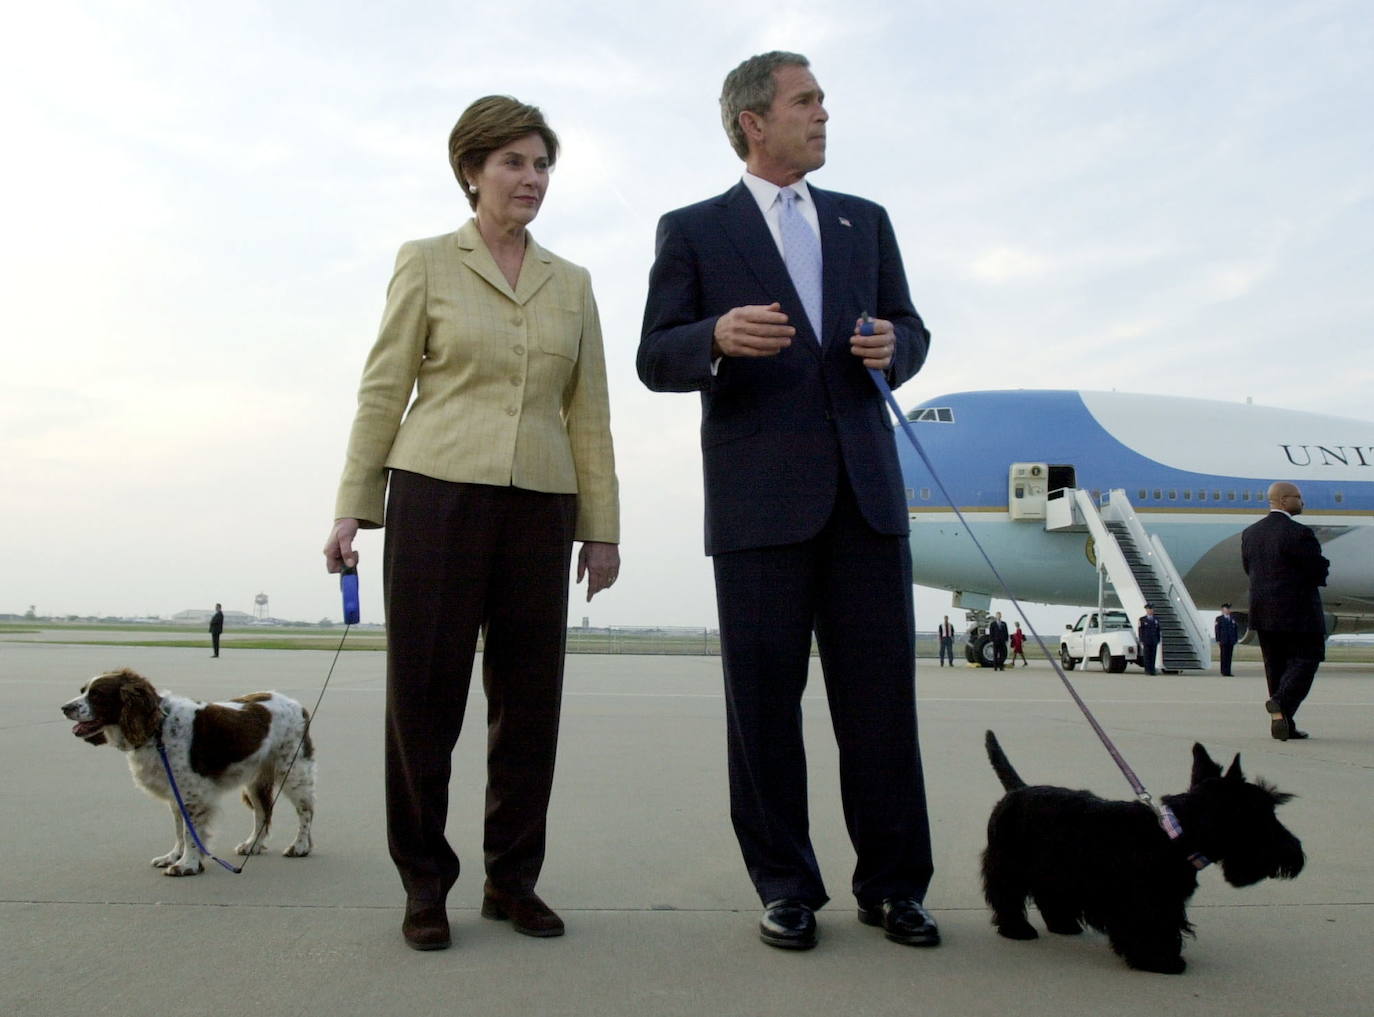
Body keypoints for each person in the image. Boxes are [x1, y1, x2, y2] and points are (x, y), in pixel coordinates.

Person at [637, 51, 936, 952]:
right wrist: (716, 338)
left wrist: (896, 344)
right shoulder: (693, 229)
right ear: (752, 121)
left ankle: (894, 886)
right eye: (806, 101)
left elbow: (911, 330)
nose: (823, 114)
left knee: (881, 703)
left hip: (866, 499)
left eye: (823, 101)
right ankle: (784, 883)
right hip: (759, 505)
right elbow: (657, 355)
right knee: (764, 705)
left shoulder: (865, 221)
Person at [323, 96, 620, 951]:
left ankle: (511, 880)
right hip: (436, 494)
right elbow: (384, 388)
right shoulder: (424, 262)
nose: (532, 179)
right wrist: (354, 502)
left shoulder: (574, 283)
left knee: (530, 705)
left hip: (541, 505)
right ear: (471, 170)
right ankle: (425, 881)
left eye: (542, 165)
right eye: (515, 163)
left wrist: (600, 528)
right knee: (424, 699)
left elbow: (589, 416)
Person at [1241, 482, 1328, 740]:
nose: (1302, 502)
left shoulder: (1250, 533)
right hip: (1298, 611)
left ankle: (1282, 723)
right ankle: (1280, 701)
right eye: (1298, 498)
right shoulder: (1299, 533)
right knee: (1308, 658)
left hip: (1263, 610)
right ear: (1282, 500)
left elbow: (1249, 568)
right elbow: (1316, 569)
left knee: (1275, 666)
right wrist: (1324, 569)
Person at [1214, 603, 1239, 677]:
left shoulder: (1232, 619)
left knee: (1229, 657)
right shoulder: (1219, 619)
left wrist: (1235, 639)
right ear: (1223, 610)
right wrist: (1218, 639)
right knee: (1224, 656)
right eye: (1226, 608)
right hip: (1223, 640)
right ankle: (1223, 671)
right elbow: (1217, 630)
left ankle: (1228, 671)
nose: (1228, 610)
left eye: (1229, 609)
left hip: (1231, 641)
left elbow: (1235, 630)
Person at [1138, 604, 1160, 675]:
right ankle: (1147, 670)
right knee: (1147, 656)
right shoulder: (1142, 619)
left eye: (1151, 609)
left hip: (1154, 640)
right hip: (1146, 640)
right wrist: (1141, 639)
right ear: (1146, 610)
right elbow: (1140, 630)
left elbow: (1158, 630)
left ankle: (1152, 670)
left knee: (1153, 656)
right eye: (1148, 609)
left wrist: (1158, 639)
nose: (1150, 611)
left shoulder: (1156, 619)